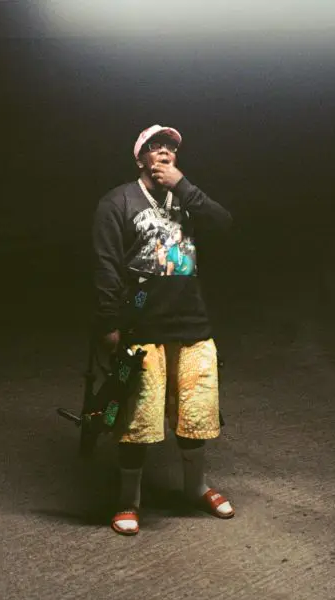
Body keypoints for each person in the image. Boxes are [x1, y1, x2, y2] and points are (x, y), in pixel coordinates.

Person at [92, 124, 234, 536]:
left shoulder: (186, 196)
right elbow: (105, 265)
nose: (164, 152)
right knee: (135, 412)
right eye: (155, 146)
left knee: (196, 410)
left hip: (190, 317)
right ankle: (128, 499)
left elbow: (224, 224)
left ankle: (196, 487)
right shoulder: (118, 201)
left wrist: (183, 186)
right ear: (140, 158)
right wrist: (110, 324)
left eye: (170, 146)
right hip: (139, 317)